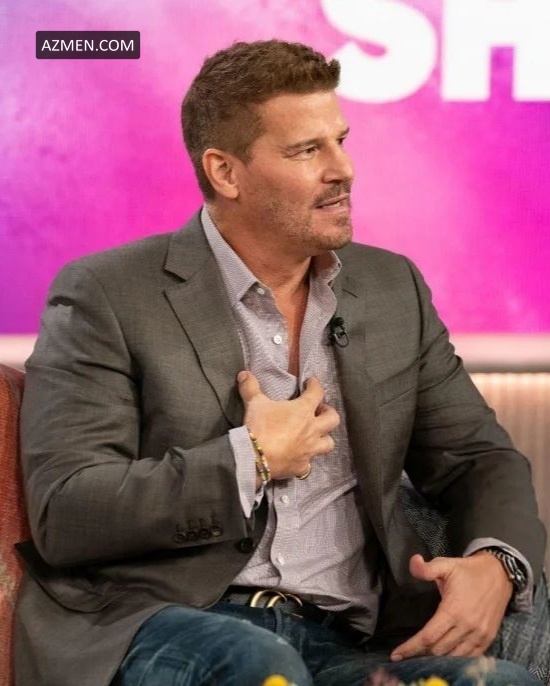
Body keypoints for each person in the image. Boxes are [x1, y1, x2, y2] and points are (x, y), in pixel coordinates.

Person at [16, 39, 546, 686]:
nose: (343, 169)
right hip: (174, 623)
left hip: (351, 642)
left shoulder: (391, 289)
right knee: (262, 665)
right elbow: (66, 512)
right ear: (225, 172)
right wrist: (250, 460)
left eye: (340, 141)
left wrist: (497, 564)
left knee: (502, 682)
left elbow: (477, 458)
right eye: (306, 150)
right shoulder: (108, 293)